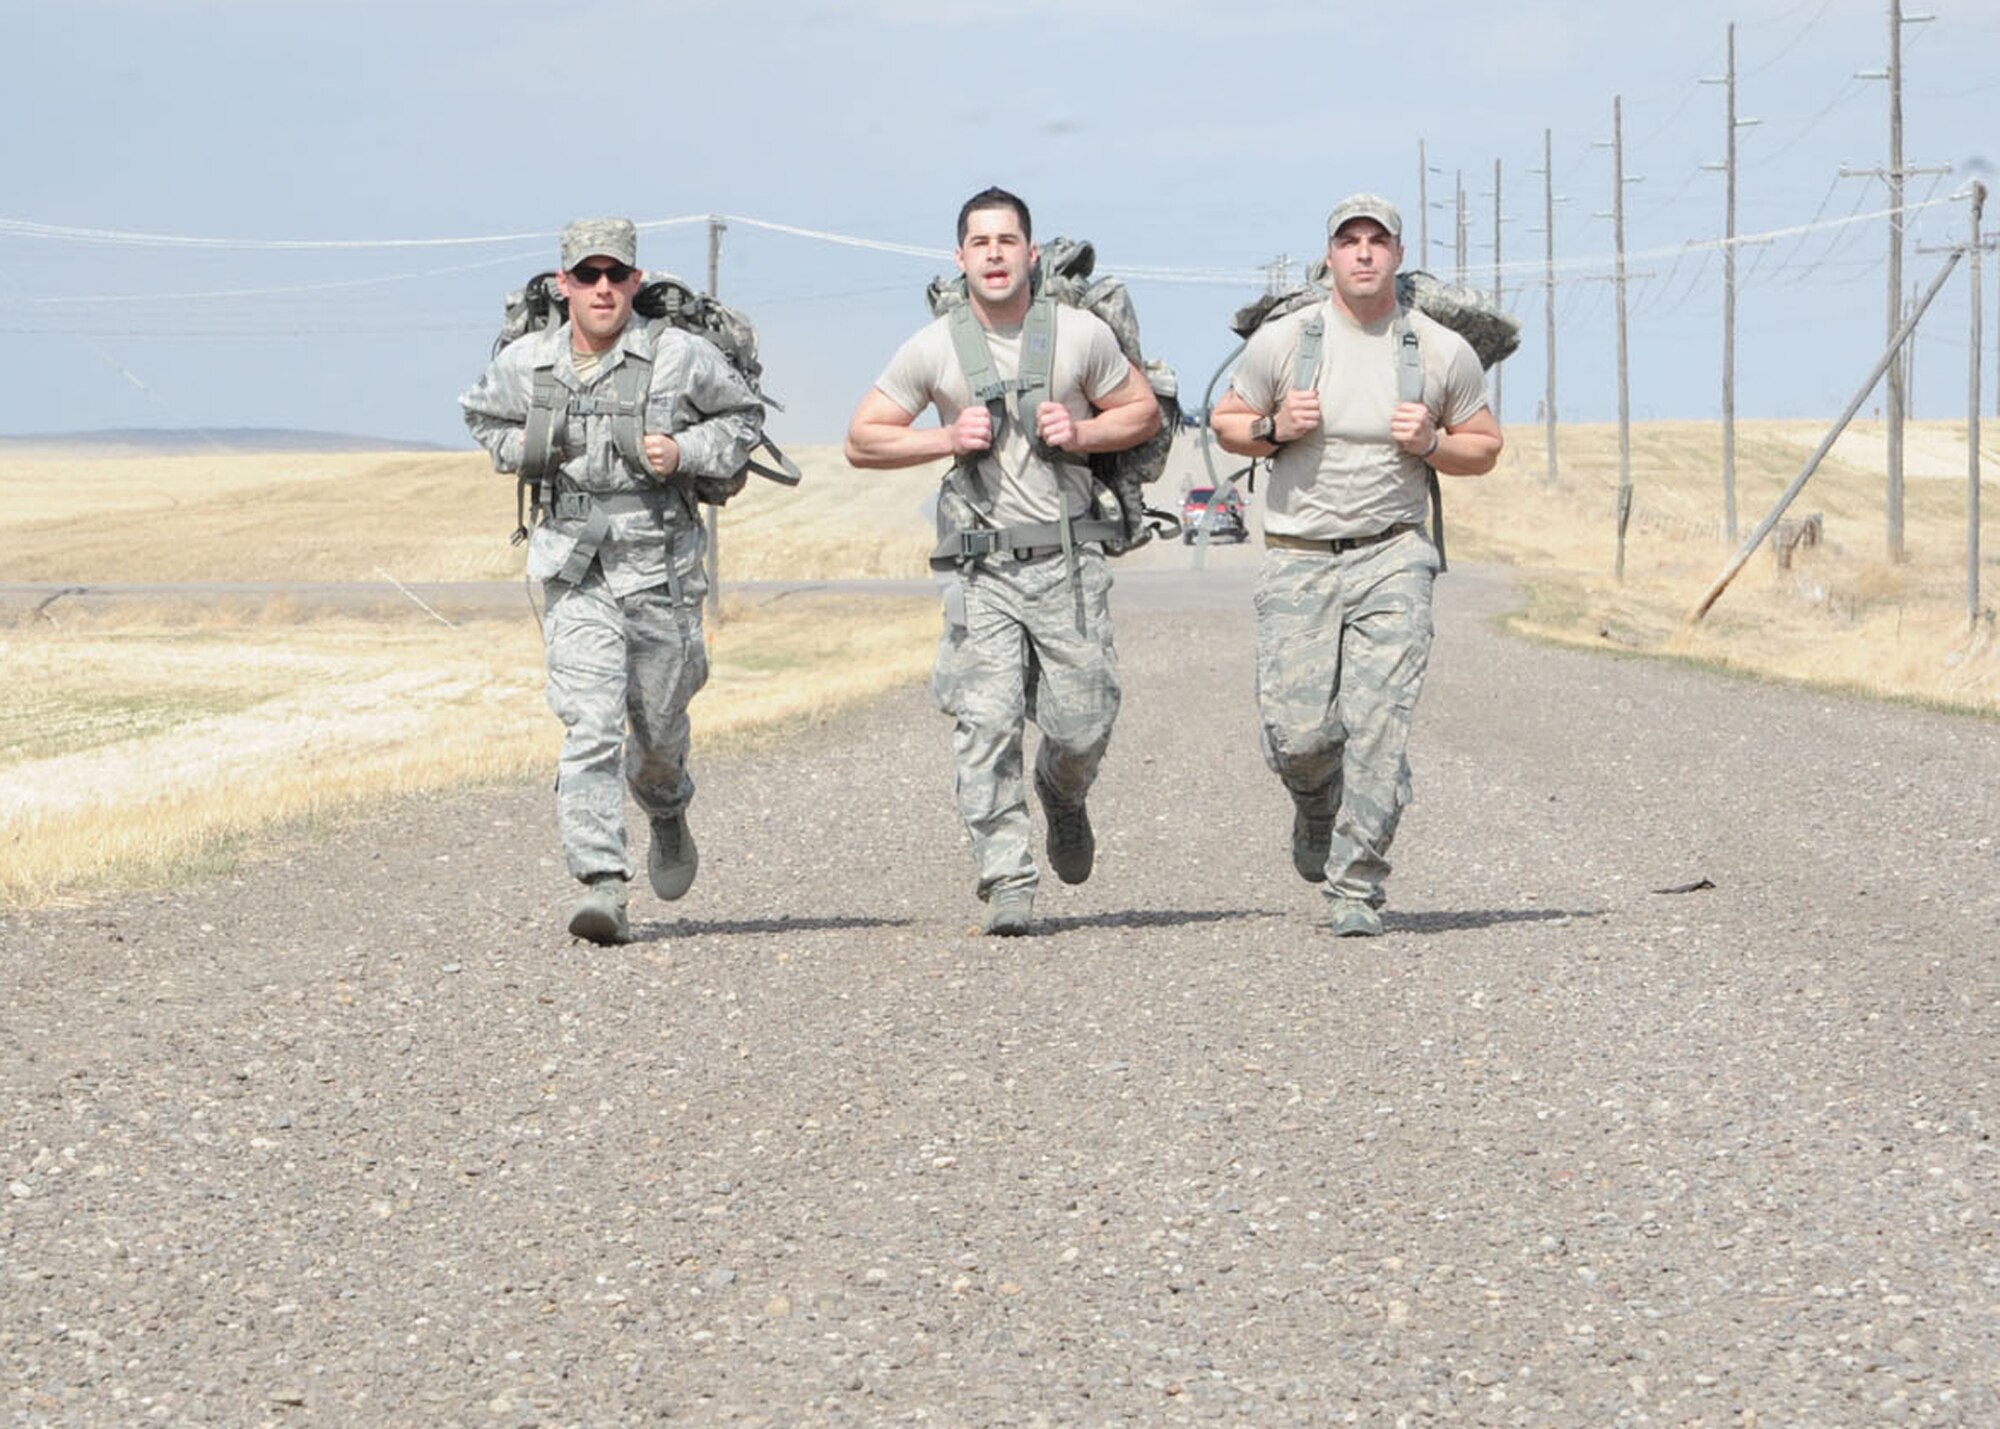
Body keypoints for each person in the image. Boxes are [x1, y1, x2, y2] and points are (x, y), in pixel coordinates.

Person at [844, 186, 1161, 936]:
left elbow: (1142, 412)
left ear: (1031, 253)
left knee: (1083, 721)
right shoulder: (933, 347)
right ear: (960, 258)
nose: (993, 253)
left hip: (1069, 560)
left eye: (1006, 240)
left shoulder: (1081, 334)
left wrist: (1085, 432)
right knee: (983, 725)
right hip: (982, 570)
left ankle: (1061, 790)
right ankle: (1007, 878)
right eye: (979, 242)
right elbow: (863, 438)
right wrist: (944, 440)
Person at [461, 218, 764, 945]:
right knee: (589, 723)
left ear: (635, 281)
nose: (602, 288)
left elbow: (744, 421)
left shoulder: (680, 357)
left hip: (661, 569)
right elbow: (480, 418)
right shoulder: (528, 363)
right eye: (587, 275)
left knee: (657, 731)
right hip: (576, 567)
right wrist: (529, 448)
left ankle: (665, 804)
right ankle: (603, 883)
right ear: (562, 283)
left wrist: (685, 448)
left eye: (615, 275)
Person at [1210, 194, 1502, 936]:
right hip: (1299, 557)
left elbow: (1486, 446)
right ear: (1330, 256)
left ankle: (1356, 887)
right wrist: (1274, 427)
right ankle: (1316, 802)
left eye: (1379, 241)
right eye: (1351, 241)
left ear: (1398, 256)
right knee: (1297, 736)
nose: (1365, 252)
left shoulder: (1437, 349)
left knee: (1379, 728)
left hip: (1394, 555)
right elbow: (1226, 421)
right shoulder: (1286, 340)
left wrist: (1433, 443)